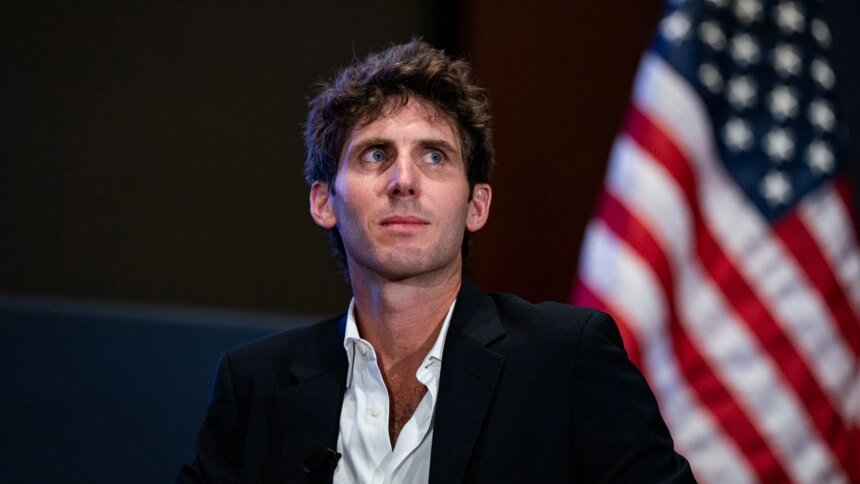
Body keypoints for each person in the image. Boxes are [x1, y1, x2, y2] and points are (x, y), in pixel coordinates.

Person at [176, 40, 695, 483]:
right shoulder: (255, 382)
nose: (403, 180)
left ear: (476, 206)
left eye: (434, 156)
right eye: (375, 154)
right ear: (324, 201)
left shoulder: (566, 360)